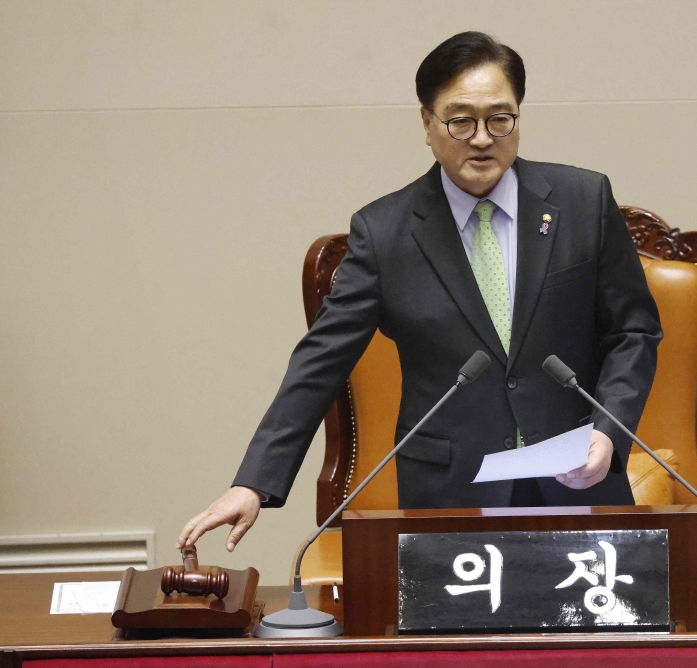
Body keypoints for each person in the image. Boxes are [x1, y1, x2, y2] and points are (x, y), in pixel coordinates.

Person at [177, 31, 662, 553]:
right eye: (461, 121)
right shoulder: (385, 233)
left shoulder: (583, 201)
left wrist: (608, 429)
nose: (482, 138)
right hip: (451, 494)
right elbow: (320, 362)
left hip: (579, 481)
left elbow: (633, 330)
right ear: (427, 124)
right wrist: (254, 483)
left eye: (500, 118)